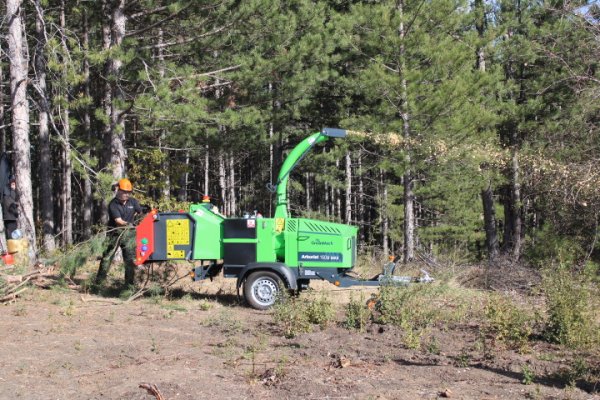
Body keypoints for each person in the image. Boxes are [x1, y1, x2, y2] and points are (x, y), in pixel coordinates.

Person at [96, 178, 142, 287]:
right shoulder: (113, 204)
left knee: (129, 259)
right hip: (114, 234)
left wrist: (137, 219)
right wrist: (131, 224)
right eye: (124, 192)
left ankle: (129, 285)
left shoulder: (133, 201)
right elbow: (119, 221)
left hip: (129, 235)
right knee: (107, 257)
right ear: (118, 190)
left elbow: (139, 212)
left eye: (128, 192)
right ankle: (99, 282)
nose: (126, 194)